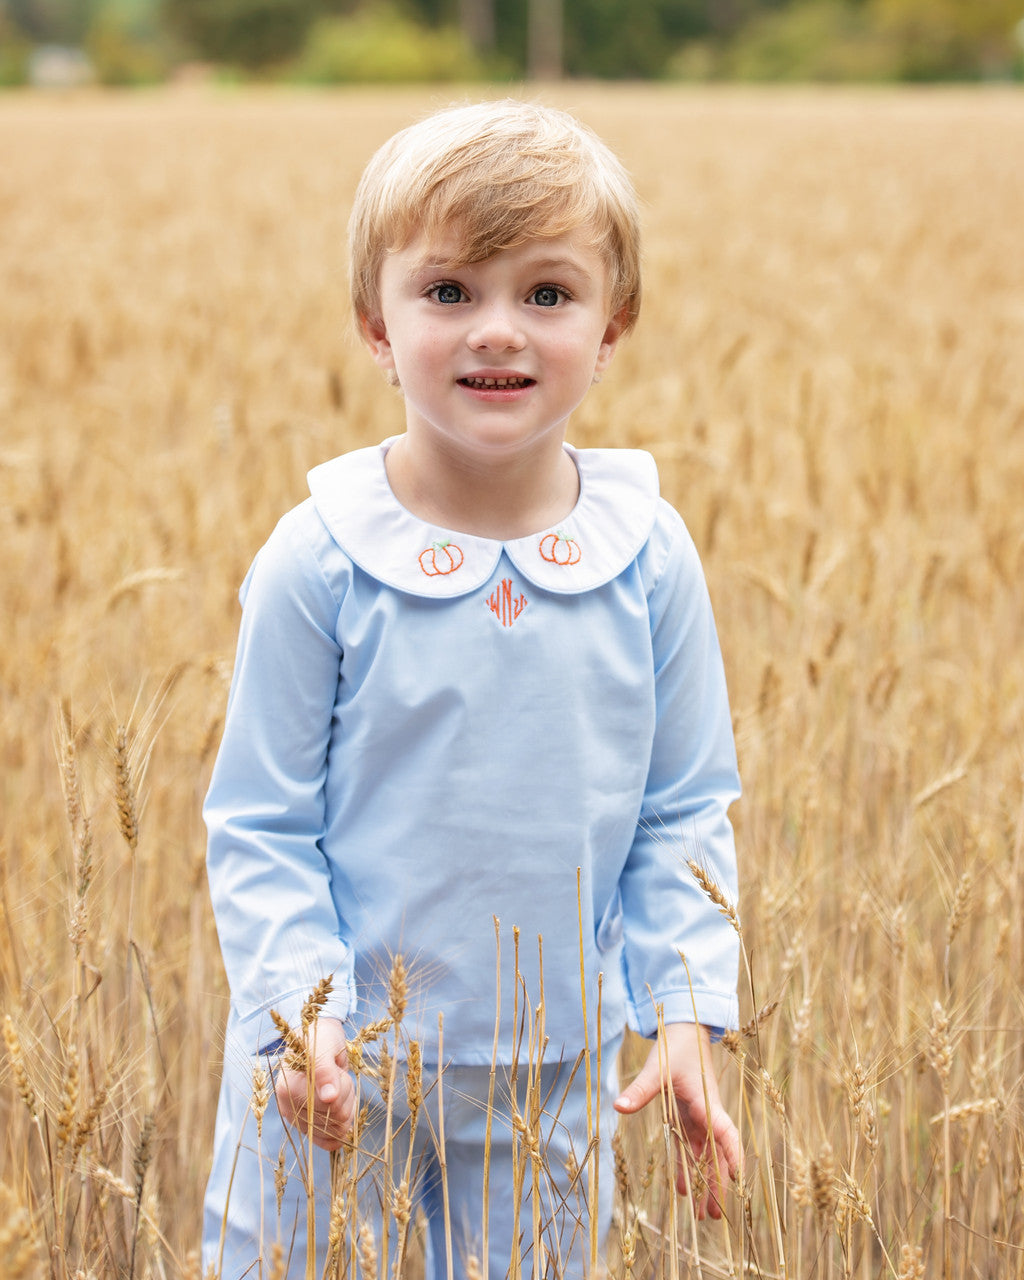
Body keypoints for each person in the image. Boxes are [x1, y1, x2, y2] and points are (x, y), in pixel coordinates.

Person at [202, 98, 742, 1279]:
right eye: (448, 291)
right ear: (375, 324)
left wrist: (687, 1006)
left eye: (547, 294)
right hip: (335, 1075)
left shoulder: (647, 555)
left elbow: (682, 807)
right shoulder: (323, 557)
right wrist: (306, 1017)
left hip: (549, 1076)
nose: (498, 329)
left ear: (613, 327)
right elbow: (260, 820)